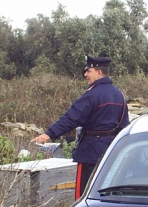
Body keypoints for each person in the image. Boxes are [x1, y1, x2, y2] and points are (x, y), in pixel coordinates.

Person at [31, 55, 129, 199]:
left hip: (89, 153)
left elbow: (71, 118)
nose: (85, 74)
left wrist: (48, 134)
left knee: (84, 195)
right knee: (107, 192)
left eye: (88, 71)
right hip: (112, 153)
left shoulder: (92, 95)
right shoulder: (119, 95)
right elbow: (124, 126)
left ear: (99, 73)